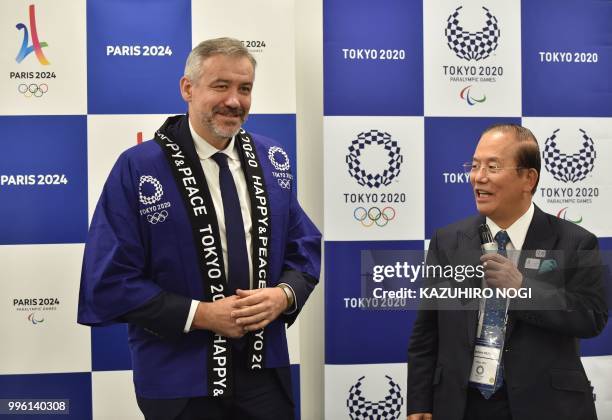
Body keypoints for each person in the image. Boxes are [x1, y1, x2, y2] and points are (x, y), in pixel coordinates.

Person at [78, 37, 321, 420]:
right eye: (221, 86)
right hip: (179, 378)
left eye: (245, 88)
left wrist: (284, 295)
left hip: (264, 372)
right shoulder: (140, 167)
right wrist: (202, 314)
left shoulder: (272, 159)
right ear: (187, 88)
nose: (234, 101)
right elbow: (108, 278)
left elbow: (303, 245)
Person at [406, 124, 607, 420]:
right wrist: (419, 402)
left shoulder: (575, 241)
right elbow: (427, 330)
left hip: (544, 405)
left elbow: (591, 317)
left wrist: (522, 289)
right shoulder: (447, 241)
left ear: (528, 178)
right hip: (462, 405)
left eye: (493, 166)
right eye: (474, 166)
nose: (479, 177)